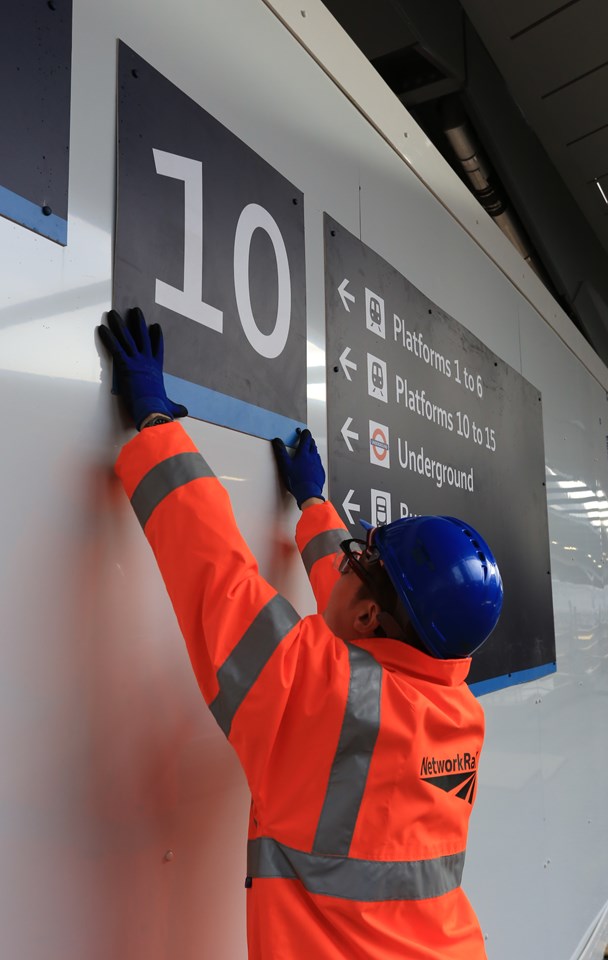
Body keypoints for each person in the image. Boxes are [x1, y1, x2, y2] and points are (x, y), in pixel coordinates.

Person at [98, 307, 503, 960]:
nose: (344, 562)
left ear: (372, 613)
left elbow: (216, 576)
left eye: (357, 560)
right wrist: (315, 506)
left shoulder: (324, 696)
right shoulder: (456, 714)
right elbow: (360, 626)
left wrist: (155, 426)